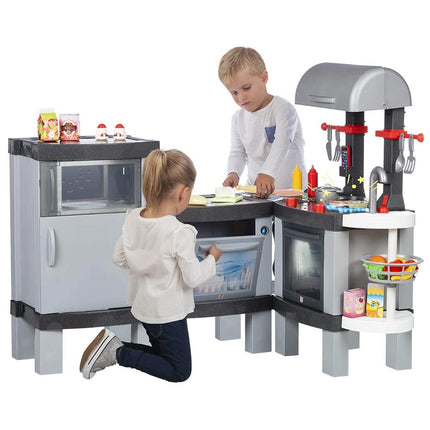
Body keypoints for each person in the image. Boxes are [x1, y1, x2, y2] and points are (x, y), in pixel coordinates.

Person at [79, 149, 222, 382]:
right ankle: (118, 353)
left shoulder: (134, 217)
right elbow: (193, 278)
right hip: (168, 313)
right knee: (179, 371)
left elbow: (119, 257)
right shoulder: (179, 232)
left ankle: (113, 349)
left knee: (163, 357)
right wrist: (212, 258)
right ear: (184, 193)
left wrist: (145, 261)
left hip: (143, 307)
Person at [219, 47, 306, 198]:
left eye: (246, 88)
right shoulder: (238, 118)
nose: (241, 97)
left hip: (292, 193)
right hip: (257, 193)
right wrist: (233, 172)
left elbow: (282, 143)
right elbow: (238, 151)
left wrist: (267, 172)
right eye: (234, 92)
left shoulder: (282, 109)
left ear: (264, 78)